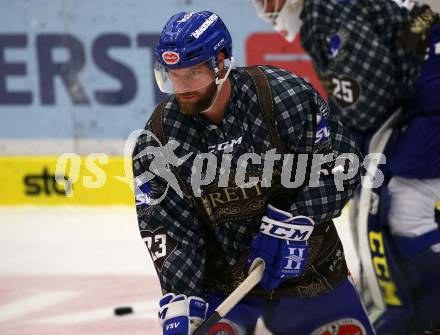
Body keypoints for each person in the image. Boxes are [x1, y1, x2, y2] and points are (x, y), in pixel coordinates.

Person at [132, 10, 374, 335]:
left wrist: (296, 222)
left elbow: (342, 165)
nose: (181, 87)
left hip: (308, 273)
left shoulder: (284, 96)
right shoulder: (160, 136)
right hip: (223, 290)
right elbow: (168, 226)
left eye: (192, 73)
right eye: (172, 74)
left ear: (221, 63)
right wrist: (183, 297)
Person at [251, 0, 440, 333]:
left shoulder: (323, 10)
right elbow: (411, 32)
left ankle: (420, 310)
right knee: (396, 198)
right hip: (425, 99)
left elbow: (369, 103)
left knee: (400, 207)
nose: (266, 9)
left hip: (430, 103)